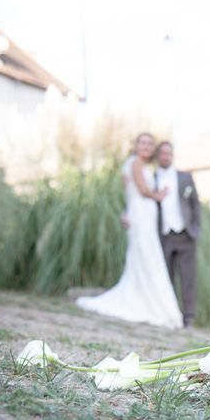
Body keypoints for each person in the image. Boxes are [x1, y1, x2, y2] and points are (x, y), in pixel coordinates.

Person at [76, 133, 183, 329]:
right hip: (141, 214)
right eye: (143, 143)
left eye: (150, 144)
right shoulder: (135, 163)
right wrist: (158, 195)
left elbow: (130, 195)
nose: (147, 146)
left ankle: (146, 300)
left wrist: (128, 211)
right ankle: (151, 304)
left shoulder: (140, 165)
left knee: (144, 256)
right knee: (147, 256)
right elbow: (142, 191)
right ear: (135, 145)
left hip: (140, 214)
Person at [155, 141, 201, 328]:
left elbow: (195, 204)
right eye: (162, 153)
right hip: (164, 235)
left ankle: (188, 318)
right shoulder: (152, 178)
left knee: (188, 277)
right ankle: (171, 314)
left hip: (185, 234)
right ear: (158, 156)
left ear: (172, 155)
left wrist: (196, 228)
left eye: (169, 153)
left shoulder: (185, 177)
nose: (166, 156)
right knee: (166, 277)